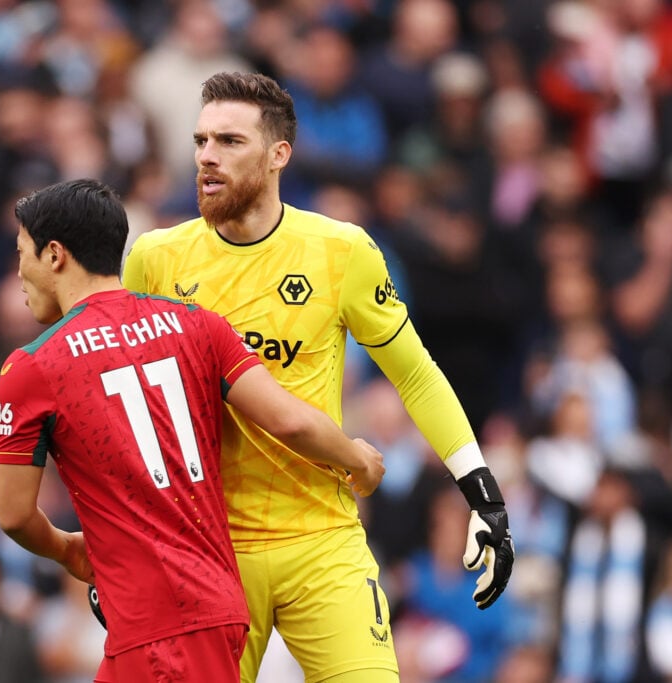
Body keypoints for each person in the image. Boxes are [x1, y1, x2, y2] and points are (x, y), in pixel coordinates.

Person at [122, 71, 515, 683]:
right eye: (201, 141)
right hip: (208, 548)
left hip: (322, 538)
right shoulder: (155, 258)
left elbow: (415, 374)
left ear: (279, 155)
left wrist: (482, 492)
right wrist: (120, 545)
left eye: (229, 141)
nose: (206, 156)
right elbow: (128, 408)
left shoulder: (342, 251)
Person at [0, 178, 385, 683]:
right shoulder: (199, 325)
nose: (19, 272)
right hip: (209, 608)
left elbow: (14, 515)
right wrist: (356, 455)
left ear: (54, 255)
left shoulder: (32, 366)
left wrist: (69, 550)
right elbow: (288, 418)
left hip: (157, 622)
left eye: (21, 253)